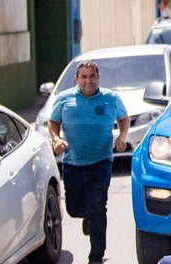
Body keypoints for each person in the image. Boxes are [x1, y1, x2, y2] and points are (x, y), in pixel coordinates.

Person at [48, 60, 129, 264]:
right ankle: (87, 216)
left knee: (99, 207)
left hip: (101, 162)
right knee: (73, 208)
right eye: (83, 77)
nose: (88, 81)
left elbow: (124, 118)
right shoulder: (64, 99)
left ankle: (96, 257)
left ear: (98, 77)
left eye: (92, 76)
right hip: (73, 163)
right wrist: (56, 139)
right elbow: (53, 122)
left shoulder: (111, 98)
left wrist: (122, 136)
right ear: (76, 79)